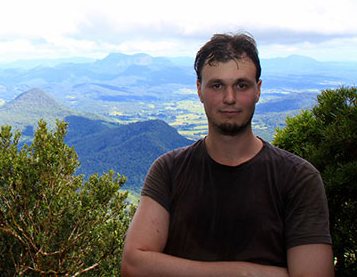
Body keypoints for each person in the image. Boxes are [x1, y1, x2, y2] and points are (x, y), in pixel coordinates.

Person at [121, 33, 334, 277]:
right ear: (200, 90)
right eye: (217, 85)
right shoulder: (169, 170)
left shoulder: (298, 179)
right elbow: (133, 266)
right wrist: (251, 273)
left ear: (258, 90)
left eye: (241, 85)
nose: (229, 98)